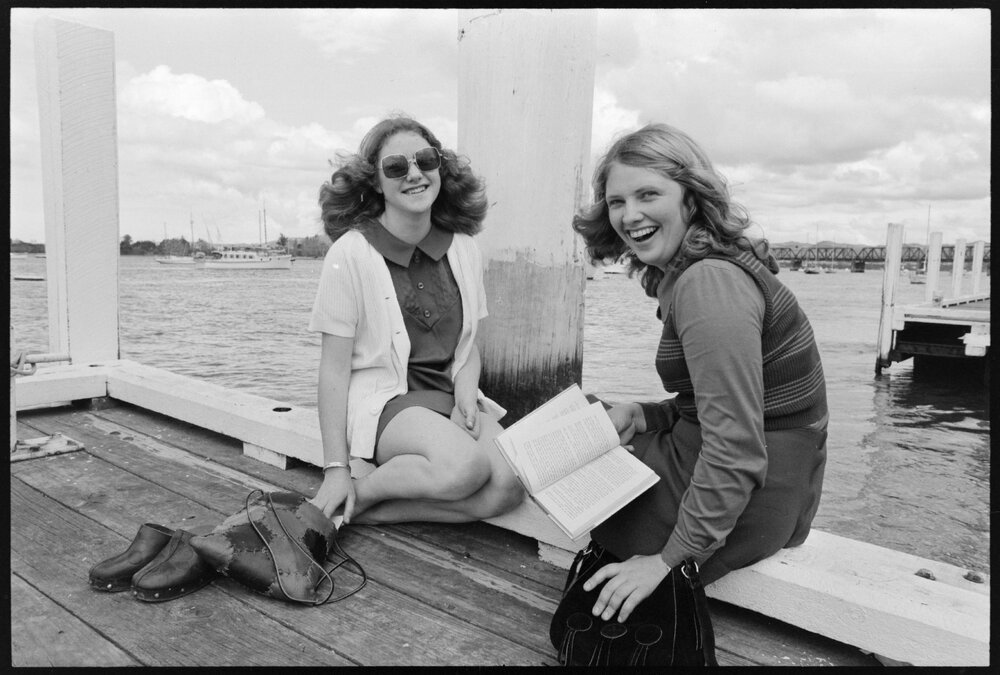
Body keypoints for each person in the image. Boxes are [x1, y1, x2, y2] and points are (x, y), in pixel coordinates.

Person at [572, 123, 828, 624]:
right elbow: (721, 402)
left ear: (692, 197)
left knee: (572, 453)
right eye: (617, 201)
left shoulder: (709, 285)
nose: (629, 215)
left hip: (757, 496)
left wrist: (667, 562)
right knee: (589, 419)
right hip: (773, 478)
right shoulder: (698, 270)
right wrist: (645, 415)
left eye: (648, 195)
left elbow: (736, 445)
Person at [307, 115, 524, 526]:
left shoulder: (464, 248)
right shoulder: (350, 254)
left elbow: (469, 346)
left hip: (447, 397)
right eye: (395, 167)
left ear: (440, 166)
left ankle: (362, 511)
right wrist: (336, 468)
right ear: (375, 182)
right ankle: (355, 490)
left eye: (425, 160)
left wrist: (466, 393)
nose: (414, 174)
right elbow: (333, 369)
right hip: (386, 404)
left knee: (510, 483)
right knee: (465, 467)